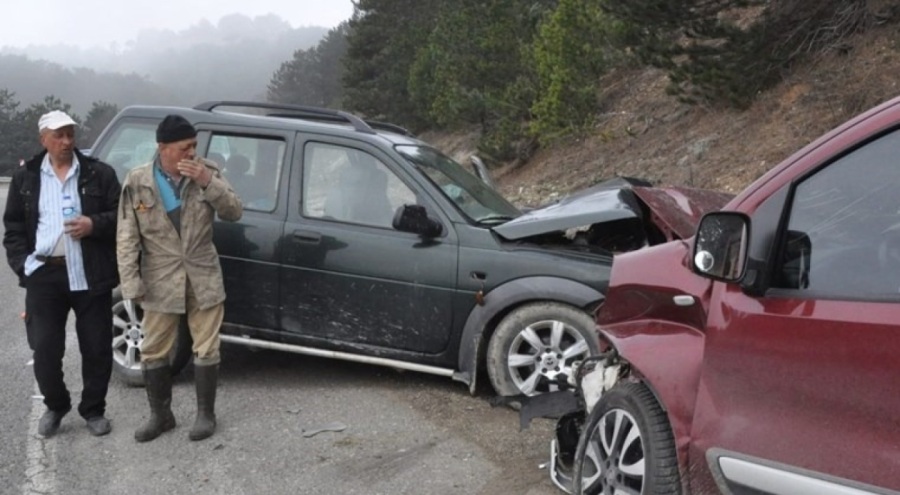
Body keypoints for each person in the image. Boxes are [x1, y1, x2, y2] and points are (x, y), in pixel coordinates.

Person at [117, 115, 242, 442]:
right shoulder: (138, 181)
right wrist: (130, 283)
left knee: (206, 345)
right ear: (163, 148)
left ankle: (205, 415)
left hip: (202, 272)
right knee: (154, 348)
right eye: (184, 147)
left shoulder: (207, 171)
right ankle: (161, 416)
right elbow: (127, 237)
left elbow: (233, 211)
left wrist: (207, 182)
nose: (191, 153)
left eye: (194, 146)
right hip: (160, 276)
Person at [3, 110, 121, 437]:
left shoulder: (99, 174)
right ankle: (56, 405)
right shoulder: (26, 178)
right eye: (59, 135)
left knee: (97, 347)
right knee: (45, 349)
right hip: (45, 276)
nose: (67, 141)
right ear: (44, 140)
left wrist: (94, 224)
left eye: (70, 134)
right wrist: (24, 264)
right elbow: (13, 227)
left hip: (89, 272)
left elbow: (121, 216)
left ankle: (94, 410)